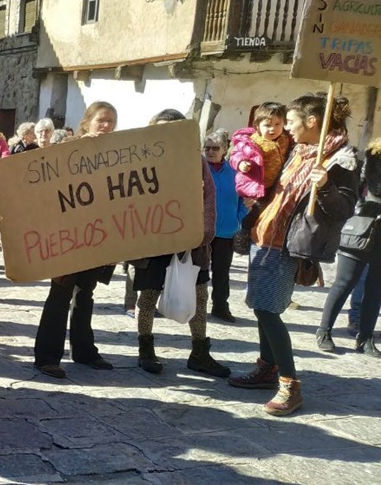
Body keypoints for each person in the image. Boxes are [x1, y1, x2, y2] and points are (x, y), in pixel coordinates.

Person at [228, 94, 358, 416]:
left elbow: (344, 208)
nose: (286, 127)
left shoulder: (341, 159)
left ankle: (290, 383)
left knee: (270, 311)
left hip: (288, 245)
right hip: (264, 237)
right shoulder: (296, 149)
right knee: (260, 307)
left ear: (311, 122)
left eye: (292, 121)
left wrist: (326, 185)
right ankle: (267, 368)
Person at [128, 110, 229, 378]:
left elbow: (209, 198)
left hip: (190, 244)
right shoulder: (142, 160)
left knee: (199, 298)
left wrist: (203, 234)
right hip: (154, 243)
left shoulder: (195, 162)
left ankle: (199, 352)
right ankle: (145, 349)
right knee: (147, 297)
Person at [32, 101, 119, 379]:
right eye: (101, 120)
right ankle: (47, 356)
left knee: (86, 294)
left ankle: (84, 351)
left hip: (98, 235)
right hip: (68, 236)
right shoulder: (67, 151)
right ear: (87, 123)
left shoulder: (118, 154)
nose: (106, 126)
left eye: (111, 121)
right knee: (60, 293)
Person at [316, 137, 381, 356]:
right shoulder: (374, 156)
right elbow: (376, 188)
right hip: (362, 226)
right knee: (344, 283)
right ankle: (324, 332)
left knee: (375, 290)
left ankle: (365, 337)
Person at [205, 128, 248, 323]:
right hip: (202, 231)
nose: (210, 152)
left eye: (215, 148)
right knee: (196, 272)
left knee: (222, 273)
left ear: (225, 149)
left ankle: (220, 307)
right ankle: (190, 306)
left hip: (226, 232)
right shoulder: (197, 169)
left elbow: (243, 200)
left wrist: (238, 218)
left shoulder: (235, 174)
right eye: (207, 148)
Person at [231, 102, 291, 203]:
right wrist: (241, 163)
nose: (273, 129)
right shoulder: (251, 142)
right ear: (257, 126)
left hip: (277, 184)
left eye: (277, 124)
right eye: (267, 125)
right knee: (256, 212)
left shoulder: (285, 139)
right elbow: (235, 155)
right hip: (257, 187)